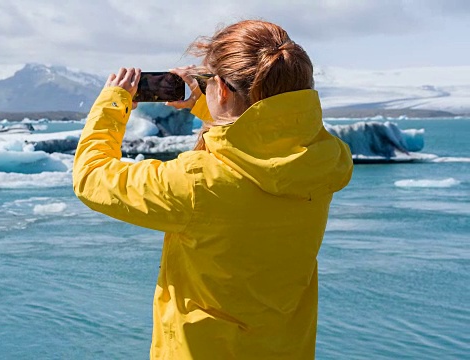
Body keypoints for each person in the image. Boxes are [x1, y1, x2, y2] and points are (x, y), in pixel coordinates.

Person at [73, 19, 353, 359]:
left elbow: (91, 176)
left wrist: (112, 104)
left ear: (220, 88)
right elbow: (265, 138)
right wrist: (208, 106)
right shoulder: (322, 161)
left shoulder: (196, 183)